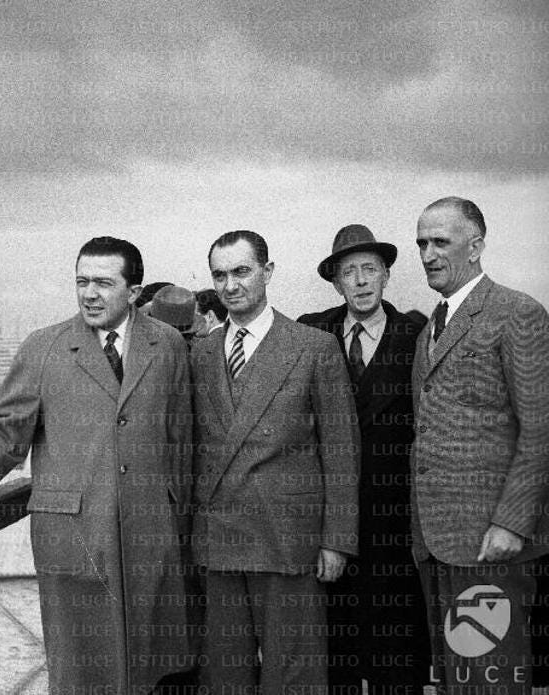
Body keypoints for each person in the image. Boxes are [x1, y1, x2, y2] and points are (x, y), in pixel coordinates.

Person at [0, 237, 195, 693]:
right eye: (82, 281)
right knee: (83, 673)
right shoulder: (44, 347)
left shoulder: (167, 344)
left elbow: (180, 443)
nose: (89, 293)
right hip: (75, 541)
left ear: (133, 290)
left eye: (104, 283)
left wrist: (180, 522)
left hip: (151, 540)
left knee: (152, 673)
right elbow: (3, 432)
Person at [191, 229, 360, 692]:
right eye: (220, 275)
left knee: (295, 675)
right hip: (220, 541)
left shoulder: (313, 347)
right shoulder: (201, 354)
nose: (230, 285)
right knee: (225, 676)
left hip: (290, 541)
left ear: (267, 272)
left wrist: (337, 541)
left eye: (242, 271)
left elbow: (342, 452)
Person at [412, 197, 549, 695]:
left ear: (477, 245)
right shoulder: (434, 324)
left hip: (491, 543)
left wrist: (512, 520)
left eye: (440, 241)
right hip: (439, 543)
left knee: (491, 678)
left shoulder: (517, 312)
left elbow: (540, 428)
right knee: (457, 679)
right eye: (422, 243)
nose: (428, 254)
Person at [298, 224, 430, 695]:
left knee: (397, 651)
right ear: (335, 282)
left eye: (369, 268)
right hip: (330, 522)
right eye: (348, 271)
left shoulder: (417, 333)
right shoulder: (311, 332)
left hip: (394, 521)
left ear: (387, 275)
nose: (360, 280)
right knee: (337, 651)